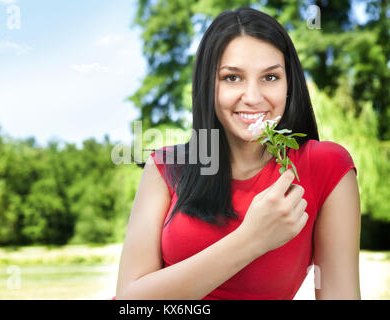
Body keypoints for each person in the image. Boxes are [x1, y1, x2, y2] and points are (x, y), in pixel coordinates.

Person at [115, 7, 361, 300]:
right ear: (208, 85)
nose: (254, 97)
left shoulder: (326, 166)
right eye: (232, 78)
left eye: (270, 77)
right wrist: (251, 239)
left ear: (289, 85)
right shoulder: (167, 167)